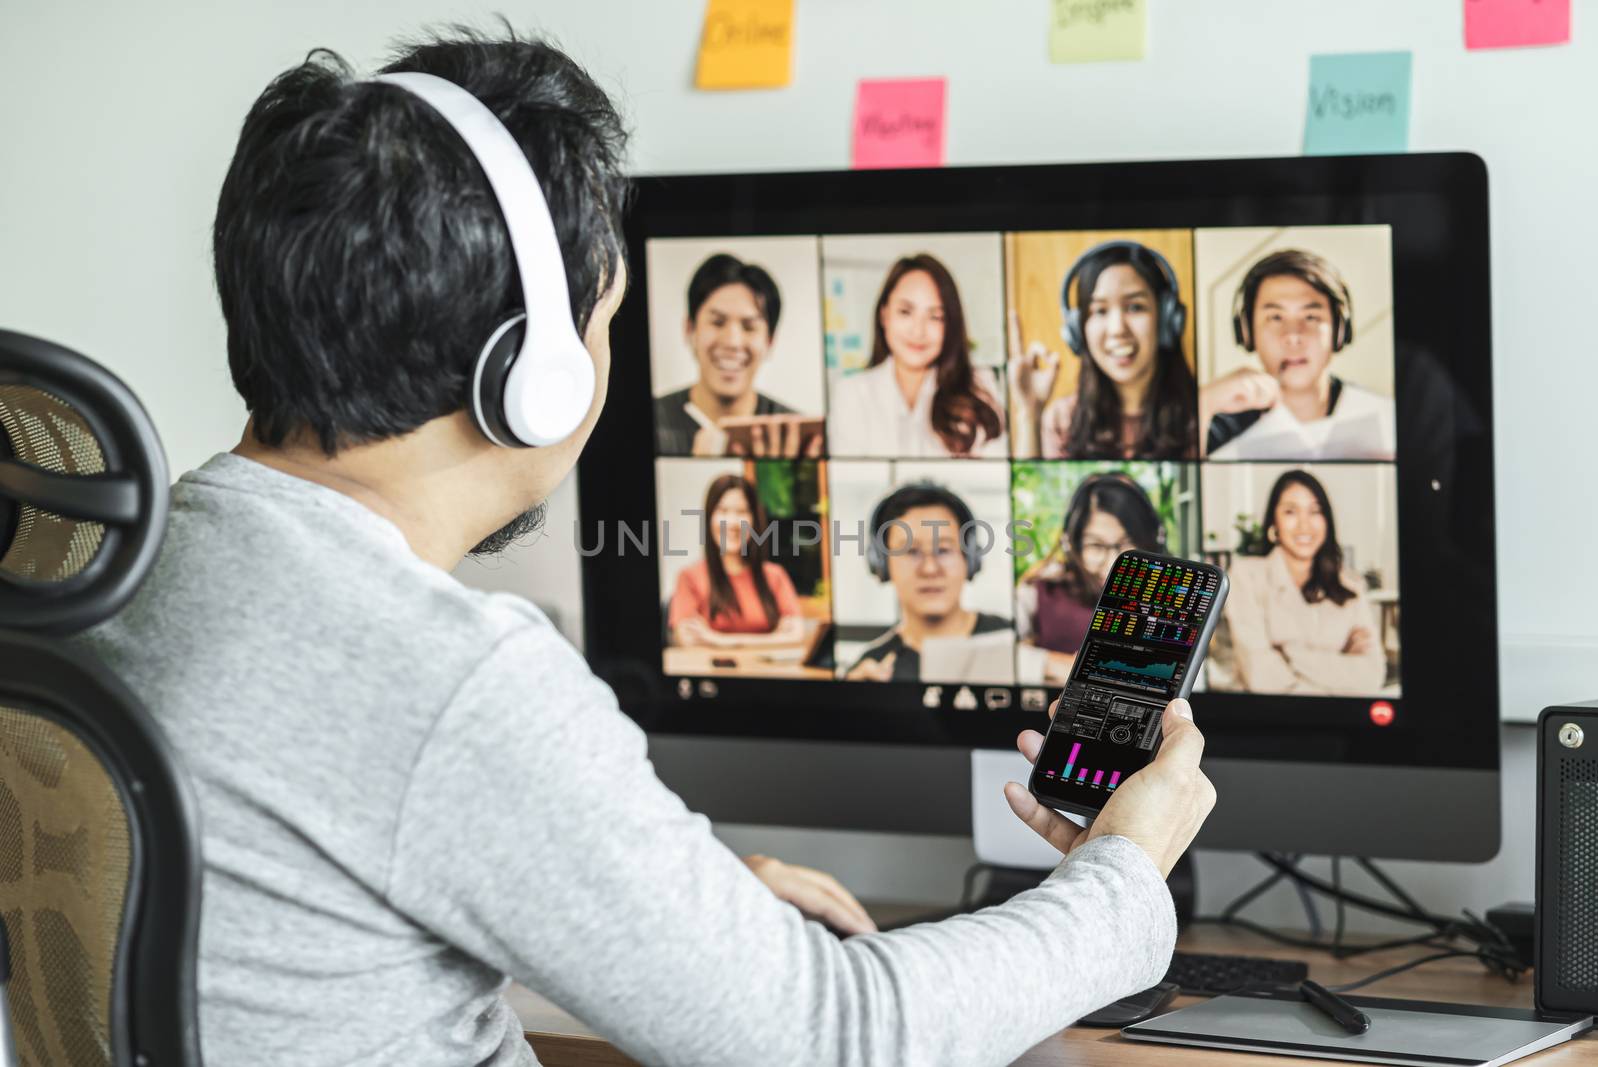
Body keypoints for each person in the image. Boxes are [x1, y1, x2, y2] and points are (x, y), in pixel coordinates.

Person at [78, 30, 1215, 1066]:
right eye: (607, 318)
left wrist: (683, 905)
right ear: (533, 372)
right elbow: (835, 1036)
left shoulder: (128, 566)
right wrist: (1124, 873)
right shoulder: (449, 681)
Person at [1010, 241, 1198, 460]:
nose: (1117, 329)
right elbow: (1031, 492)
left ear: (1167, 319)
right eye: (1100, 311)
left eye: (1135, 307)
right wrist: (1029, 414)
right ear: (1077, 331)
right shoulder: (1062, 420)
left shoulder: (1202, 413)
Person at [1202, 248, 1395, 461]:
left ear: (1339, 330)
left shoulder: (1387, 417)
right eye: (1275, 317)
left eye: (1311, 316)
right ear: (1247, 332)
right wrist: (1204, 403)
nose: (1293, 336)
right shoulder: (1213, 424)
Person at [1220, 470, 1386, 695]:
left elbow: (1371, 674)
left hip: (1340, 724)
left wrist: (1289, 653)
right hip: (1263, 720)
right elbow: (1260, 677)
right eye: (1290, 511)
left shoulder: (1350, 585)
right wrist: (1338, 673)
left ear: (1327, 521)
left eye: (1315, 511)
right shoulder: (1246, 575)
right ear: (1274, 524)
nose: (1304, 525)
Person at [828, 253, 1007, 458]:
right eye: (906, 311)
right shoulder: (852, 393)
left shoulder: (980, 386)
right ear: (884, 314)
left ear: (950, 324)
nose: (918, 331)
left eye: (935, 317)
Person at [654, 253, 820, 458]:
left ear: (769, 341)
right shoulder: (653, 419)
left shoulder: (795, 434)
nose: (732, 342)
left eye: (749, 327)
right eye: (717, 322)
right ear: (689, 330)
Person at [846, 482, 1013, 682]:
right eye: (910, 551)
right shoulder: (869, 669)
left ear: (969, 558)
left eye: (943, 550)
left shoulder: (1015, 641)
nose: (930, 569)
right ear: (881, 563)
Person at [1017, 472, 1166, 686]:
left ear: (1153, 540)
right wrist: (1056, 665)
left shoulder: (1173, 596)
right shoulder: (1040, 588)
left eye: (1128, 543)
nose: (1112, 563)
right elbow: (998, 654)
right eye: (1096, 546)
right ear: (1071, 546)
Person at [668, 473, 804, 648]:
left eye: (741, 512)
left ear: (754, 519)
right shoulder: (689, 577)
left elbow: (796, 635)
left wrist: (721, 640)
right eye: (723, 511)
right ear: (709, 518)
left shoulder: (774, 576)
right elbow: (688, 641)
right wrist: (772, 639)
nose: (732, 523)